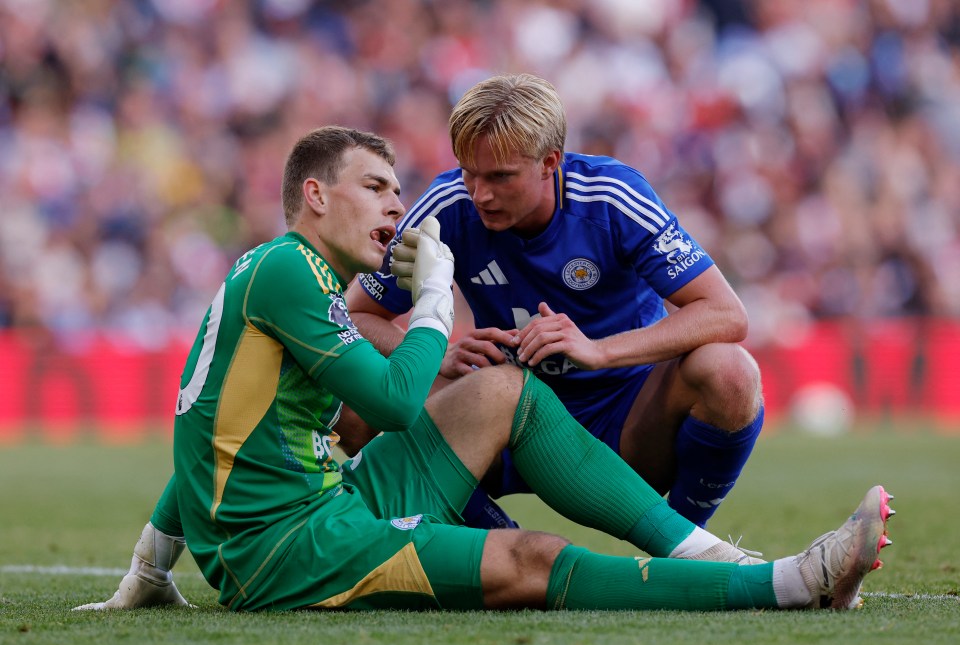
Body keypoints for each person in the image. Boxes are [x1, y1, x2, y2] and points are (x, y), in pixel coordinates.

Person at [74, 126, 894, 614]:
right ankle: (786, 585)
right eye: (376, 189)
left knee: (508, 388)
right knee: (530, 561)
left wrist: (150, 569)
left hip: (328, 502)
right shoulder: (292, 272)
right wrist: (435, 298)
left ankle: (703, 550)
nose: (398, 207)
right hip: (292, 550)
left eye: (399, 190)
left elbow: (201, 425)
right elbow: (394, 405)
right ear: (316, 195)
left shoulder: (286, 271)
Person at [346, 73, 764, 529]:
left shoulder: (612, 198)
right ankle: (500, 546)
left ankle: (689, 546)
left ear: (550, 162)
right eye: (470, 171)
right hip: (499, 416)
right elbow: (356, 315)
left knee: (731, 372)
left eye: (501, 176)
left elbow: (725, 313)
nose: (480, 193)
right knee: (354, 394)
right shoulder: (445, 208)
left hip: (623, 419)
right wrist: (436, 354)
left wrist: (600, 351)